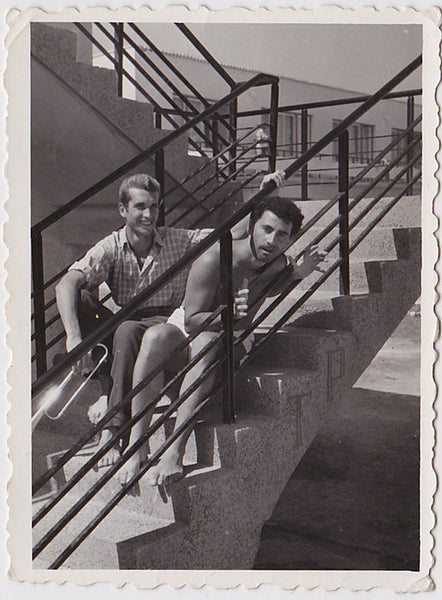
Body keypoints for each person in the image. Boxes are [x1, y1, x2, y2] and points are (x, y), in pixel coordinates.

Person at [117, 172, 327, 487]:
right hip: (196, 324)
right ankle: (136, 446)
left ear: (291, 239)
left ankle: (174, 451)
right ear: (252, 226)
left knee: (205, 341)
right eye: (266, 229)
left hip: (224, 343)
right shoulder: (214, 257)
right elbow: (190, 320)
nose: (271, 241)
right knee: (156, 335)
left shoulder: (278, 264)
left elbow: (268, 287)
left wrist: (298, 273)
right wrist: (228, 314)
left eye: (282, 235)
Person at [55, 172, 269, 468]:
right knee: (86, 301)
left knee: (127, 330)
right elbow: (65, 284)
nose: (148, 215)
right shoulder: (111, 246)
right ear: (123, 210)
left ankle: (110, 430)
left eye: (154, 207)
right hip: (129, 322)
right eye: (140, 207)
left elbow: (229, 234)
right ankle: (108, 393)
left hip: (167, 322)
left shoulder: (177, 239)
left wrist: (260, 195)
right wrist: (73, 338)